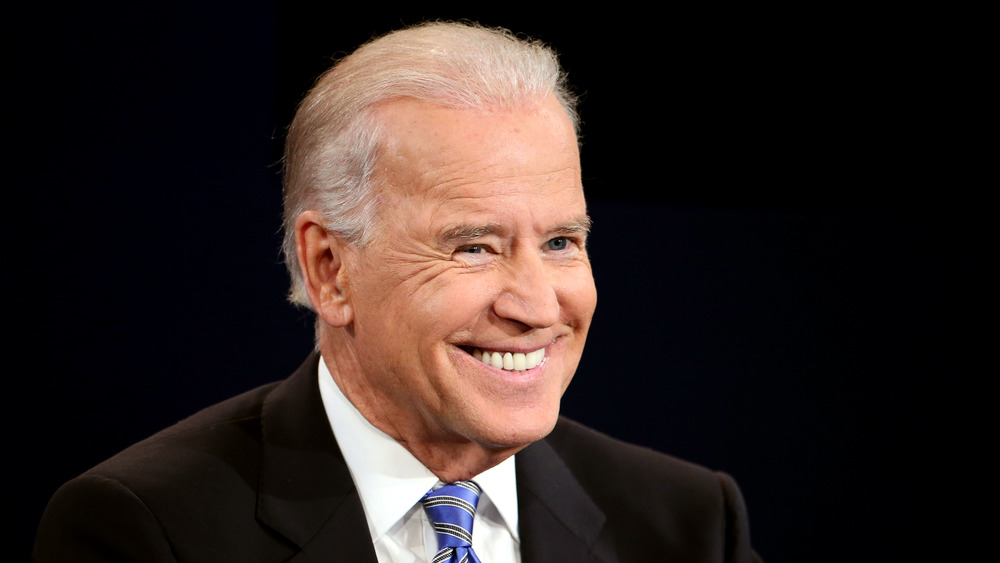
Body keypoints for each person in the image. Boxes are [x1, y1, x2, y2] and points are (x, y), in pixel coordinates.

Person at [34, 21, 761, 562]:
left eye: (560, 243)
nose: (538, 306)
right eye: (473, 246)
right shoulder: (147, 529)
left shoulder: (687, 524)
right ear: (330, 268)